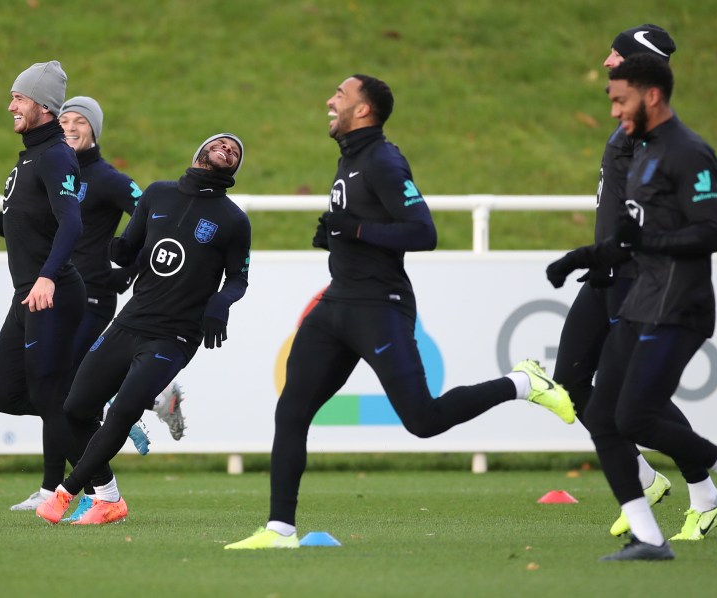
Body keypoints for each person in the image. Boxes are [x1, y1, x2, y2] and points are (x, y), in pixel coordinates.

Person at [225, 74, 576, 550]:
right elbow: (358, 226)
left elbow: (422, 232)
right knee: (292, 410)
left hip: (379, 305)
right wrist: (335, 234)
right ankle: (280, 530)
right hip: (337, 302)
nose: (330, 101)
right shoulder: (350, 157)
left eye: (341, 96)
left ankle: (523, 383)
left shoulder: (384, 161)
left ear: (364, 110)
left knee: (423, 420)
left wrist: (355, 231)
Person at [552, 54, 717, 561]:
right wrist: (582, 258)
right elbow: (632, 237)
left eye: (620, 99)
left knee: (633, 417)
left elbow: (710, 232)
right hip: (640, 300)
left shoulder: (690, 153)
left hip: (679, 305)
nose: (613, 111)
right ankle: (648, 536)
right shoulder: (644, 152)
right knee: (604, 417)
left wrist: (645, 238)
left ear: (651, 95)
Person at [34, 133, 250, 525]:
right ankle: (109, 499)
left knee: (123, 411)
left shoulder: (234, 219)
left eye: (235, 152)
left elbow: (239, 279)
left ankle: (66, 492)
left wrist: (221, 302)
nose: (228, 149)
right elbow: (132, 246)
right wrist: (121, 257)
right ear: (200, 150)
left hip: (177, 334)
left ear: (234, 168)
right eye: (222, 144)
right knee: (75, 408)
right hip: (131, 321)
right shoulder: (158, 194)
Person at [0, 96, 186, 514]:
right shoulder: (49, 165)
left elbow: (155, 221)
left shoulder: (108, 179)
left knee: (56, 390)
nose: (69, 126)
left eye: (79, 121)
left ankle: (66, 487)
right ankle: (139, 403)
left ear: (94, 130)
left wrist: (128, 271)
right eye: (63, 119)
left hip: (90, 295)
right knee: (57, 391)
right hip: (55, 288)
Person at [0, 61, 88, 504]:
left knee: (51, 398)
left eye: (19, 98)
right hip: (27, 293)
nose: (11, 105)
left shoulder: (55, 154)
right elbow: (36, 215)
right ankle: (94, 416)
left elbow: (72, 223)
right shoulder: (30, 153)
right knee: (5, 393)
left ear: (43, 107)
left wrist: (46, 276)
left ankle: (102, 493)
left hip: (54, 291)